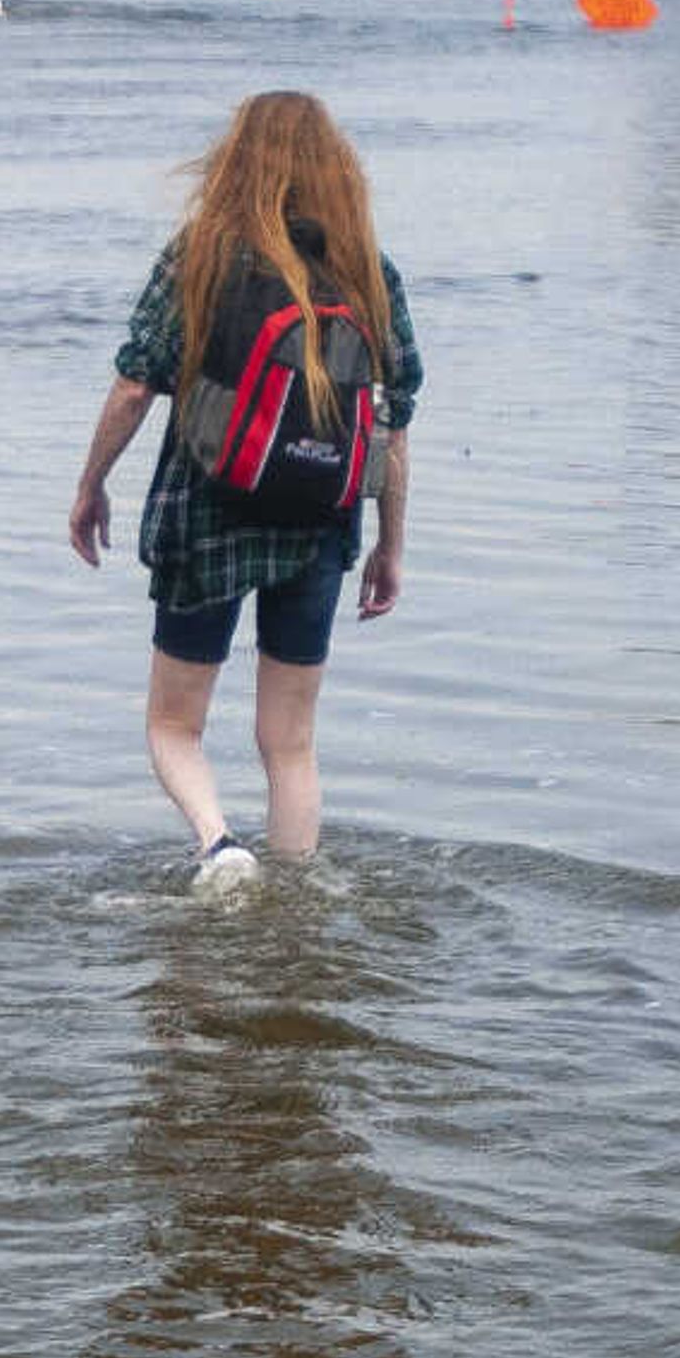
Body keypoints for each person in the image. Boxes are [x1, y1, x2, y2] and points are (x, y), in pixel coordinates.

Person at [69, 89, 422, 890]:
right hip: (321, 525)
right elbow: (394, 420)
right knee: (290, 742)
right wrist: (391, 546)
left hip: (207, 514)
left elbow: (134, 387)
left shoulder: (203, 253)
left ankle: (220, 846)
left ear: (236, 163)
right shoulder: (369, 267)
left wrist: (91, 485)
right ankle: (296, 904)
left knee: (172, 724)